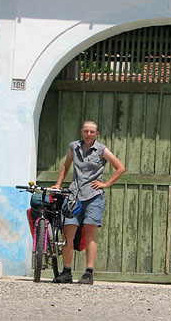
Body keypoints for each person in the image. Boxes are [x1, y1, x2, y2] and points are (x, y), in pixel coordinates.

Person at [52, 120, 125, 284]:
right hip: (74, 196)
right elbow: (66, 165)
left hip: (93, 197)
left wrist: (105, 184)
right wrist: (58, 184)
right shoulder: (74, 147)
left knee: (90, 235)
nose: (89, 134)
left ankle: (88, 273)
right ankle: (67, 271)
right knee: (68, 234)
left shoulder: (101, 150)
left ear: (97, 134)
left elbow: (120, 168)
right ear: (81, 131)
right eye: (86, 131)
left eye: (92, 131)